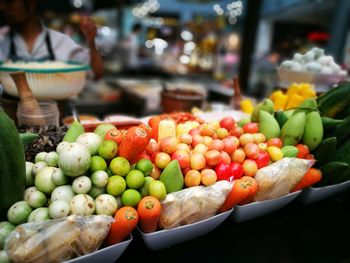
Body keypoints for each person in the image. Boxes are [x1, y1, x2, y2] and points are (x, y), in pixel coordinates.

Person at [0, 0, 103, 80]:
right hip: (11, 107)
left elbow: (96, 73)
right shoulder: (1, 39)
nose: (2, 7)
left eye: (9, 1)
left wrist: (91, 41)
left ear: (31, 2)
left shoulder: (60, 41)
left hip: (56, 107)